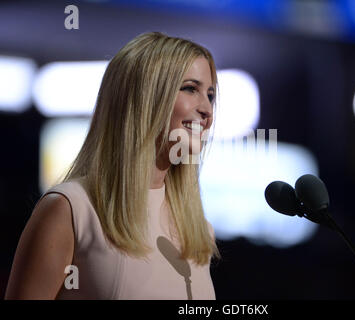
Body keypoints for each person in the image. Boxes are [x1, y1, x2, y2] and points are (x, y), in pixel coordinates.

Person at [5, 31, 221, 299]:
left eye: (210, 95)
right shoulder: (71, 210)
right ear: (144, 96)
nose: (208, 111)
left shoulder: (197, 230)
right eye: (190, 88)